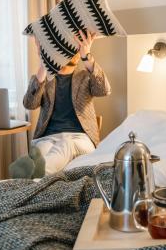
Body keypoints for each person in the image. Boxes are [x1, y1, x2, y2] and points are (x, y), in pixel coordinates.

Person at [11, 30, 111, 177]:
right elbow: (29, 104)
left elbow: (103, 90)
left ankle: (31, 176)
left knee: (66, 143)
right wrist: (43, 65)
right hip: (47, 137)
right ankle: (35, 179)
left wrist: (87, 57)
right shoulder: (45, 79)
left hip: (80, 138)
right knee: (41, 153)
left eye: (74, 50)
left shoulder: (85, 77)